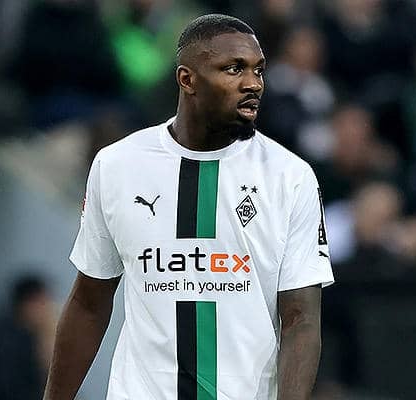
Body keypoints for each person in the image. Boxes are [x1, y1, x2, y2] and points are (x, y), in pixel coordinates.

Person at [43, 14, 334, 400]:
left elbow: (301, 319)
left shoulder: (290, 177)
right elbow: (88, 302)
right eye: (234, 69)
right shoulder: (117, 166)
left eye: (259, 70)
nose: (253, 83)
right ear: (187, 79)